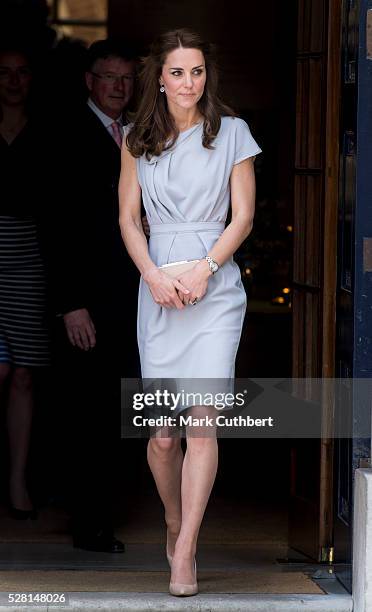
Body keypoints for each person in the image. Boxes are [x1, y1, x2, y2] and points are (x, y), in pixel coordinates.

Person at [119, 29, 261, 595]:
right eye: (177, 72)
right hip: (156, 287)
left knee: (202, 425)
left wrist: (205, 269)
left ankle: (186, 550)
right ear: (159, 78)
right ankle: (173, 518)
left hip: (215, 286)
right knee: (161, 435)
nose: (188, 82)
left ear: (208, 76)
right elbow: (129, 220)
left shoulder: (233, 133)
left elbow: (243, 217)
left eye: (197, 71)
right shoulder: (135, 137)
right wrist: (153, 275)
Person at [52, 39, 140, 553]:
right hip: (86, 299)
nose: (118, 87)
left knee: (122, 406)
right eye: (109, 77)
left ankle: (104, 510)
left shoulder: (140, 133)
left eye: (126, 78)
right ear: (90, 81)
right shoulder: (64, 133)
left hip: (135, 295)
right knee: (86, 410)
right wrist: (70, 303)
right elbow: (57, 226)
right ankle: (89, 522)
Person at [0, 47, 50, 519]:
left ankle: (17, 480)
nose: (14, 81)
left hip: (31, 255)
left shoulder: (48, 128)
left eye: (22, 71)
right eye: (5, 73)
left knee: (24, 374)